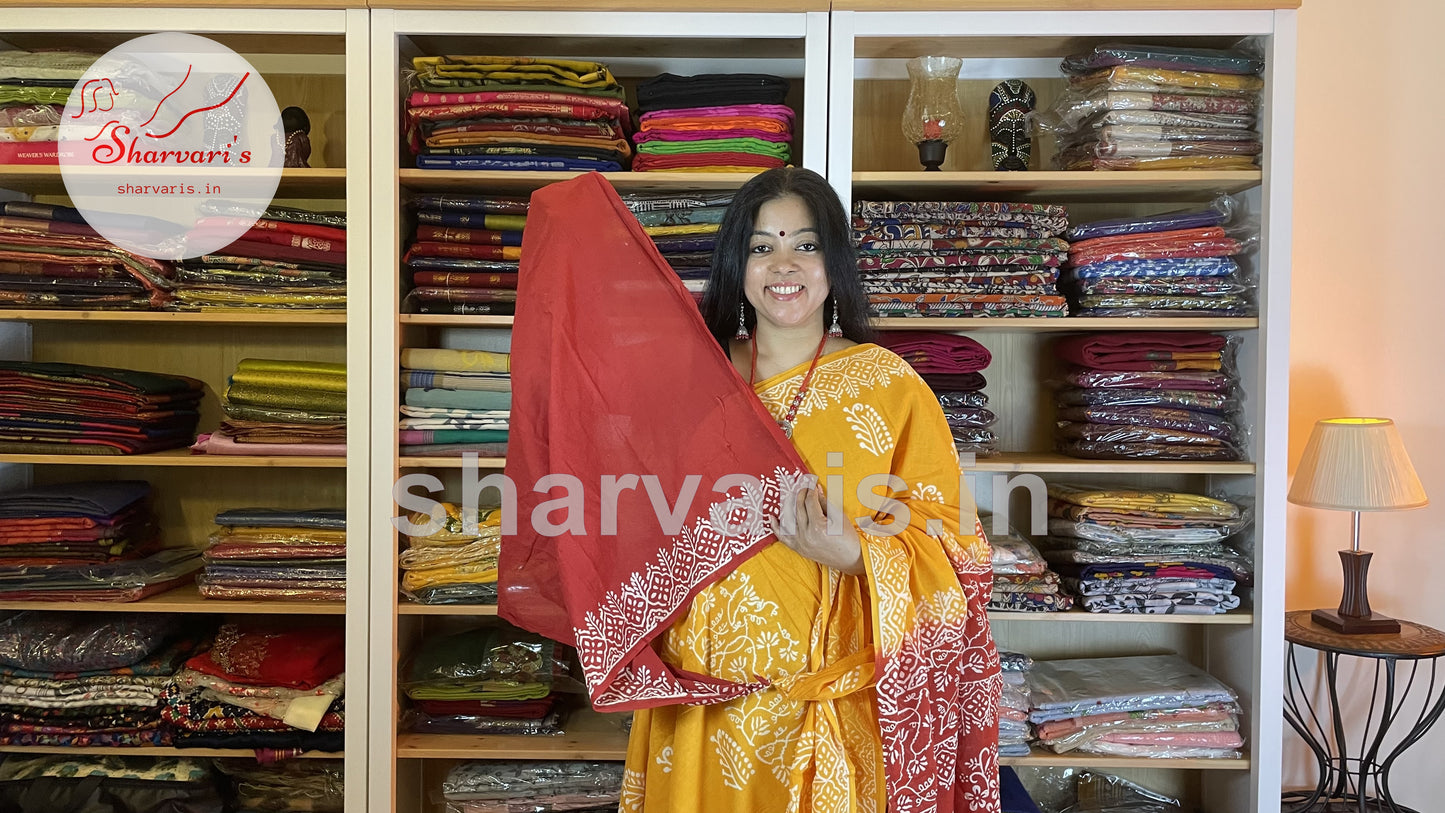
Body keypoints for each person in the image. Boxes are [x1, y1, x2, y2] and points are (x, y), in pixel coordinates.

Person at [620, 167, 1002, 813]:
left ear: (835, 260)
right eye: (760, 246)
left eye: (805, 243)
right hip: (699, 700)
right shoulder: (689, 377)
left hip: (829, 707)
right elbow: (632, 513)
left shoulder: (887, 384)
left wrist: (855, 554)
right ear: (735, 264)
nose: (782, 264)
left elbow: (958, 546)